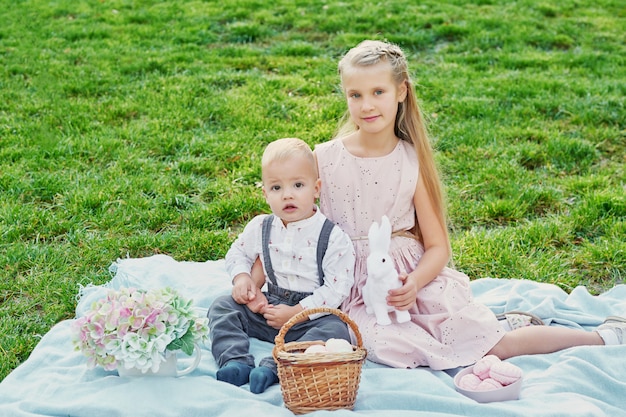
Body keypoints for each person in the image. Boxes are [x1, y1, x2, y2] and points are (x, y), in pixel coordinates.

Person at [314, 39, 626, 371]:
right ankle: (505, 323)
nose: (367, 105)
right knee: (379, 344)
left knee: (490, 347)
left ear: (401, 92)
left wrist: (416, 282)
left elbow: (437, 247)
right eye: (355, 95)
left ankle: (602, 338)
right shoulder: (324, 157)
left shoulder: (410, 160)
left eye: (379, 92)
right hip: (350, 288)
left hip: (409, 282)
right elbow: (290, 223)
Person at [208, 137, 356, 393]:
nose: (287, 194)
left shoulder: (331, 236)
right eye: (276, 188)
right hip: (270, 306)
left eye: (298, 185)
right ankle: (235, 361)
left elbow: (337, 288)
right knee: (222, 306)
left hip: (311, 315)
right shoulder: (261, 226)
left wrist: (298, 312)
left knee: (336, 331)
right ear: (265, 194)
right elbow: (237, 253)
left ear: (316, 188)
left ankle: (273, 368)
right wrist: (242, 279)